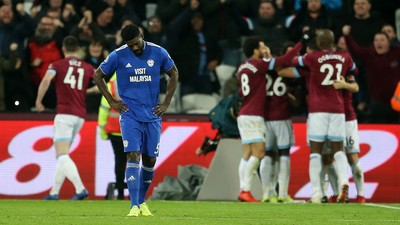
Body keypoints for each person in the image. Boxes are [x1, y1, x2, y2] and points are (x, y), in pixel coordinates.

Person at [94, 24, 179, 217]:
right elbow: (98, 75)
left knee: (150, 159)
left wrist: (166, 103)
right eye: (130, 45)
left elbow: (173, 73)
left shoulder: (158, 52)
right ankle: (133, 205)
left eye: (135, 43)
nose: (133, 48)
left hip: (152, 115)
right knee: (133, 155)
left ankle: (141, 202)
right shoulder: (118, 55)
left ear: (142, 35)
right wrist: (111, 100)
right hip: (130, 114)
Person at [287, 29, 355, 203]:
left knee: (315, 152)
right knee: (338, 149)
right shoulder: (345, 57)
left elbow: (291, 61)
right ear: (332, 42)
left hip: (318, 109)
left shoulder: (312, 57)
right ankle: (343, 181)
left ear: (318, 43)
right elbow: (353, 70)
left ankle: (317, 193)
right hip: (338, 108)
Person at [237, 35, 303, 202]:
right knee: (259, 153)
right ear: (255, 51)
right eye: (261, 46)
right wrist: (301, 42)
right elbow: (286, 59)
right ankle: (245, 190)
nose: (263, 48)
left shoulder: (242, 67)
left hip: (243, 114)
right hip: (254, 116)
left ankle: (244, 189)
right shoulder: (259, 64)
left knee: (247, 154)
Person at [35, 36, 94, 200]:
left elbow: (47, 79)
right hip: (80, 116)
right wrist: (88, 91)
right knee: (64, 154)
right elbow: (100, 81)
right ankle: (54, 192)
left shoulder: (57, 65)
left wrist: (39, 100)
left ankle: (80, 188)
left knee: (61, 155)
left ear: (63, 49)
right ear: (78, 49)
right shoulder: (87, 67)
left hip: (64, 114)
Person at [343, 25, 400, 123]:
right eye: (376, 40)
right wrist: (347, 36)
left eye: (382, 40)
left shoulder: (397, 52)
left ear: (389, 42)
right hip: (376, 104)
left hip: (396, 102)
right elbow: (355, 50)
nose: (379, 43)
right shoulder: (369, 54)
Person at [97, 73, 127, 200]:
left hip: (115, 130)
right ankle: (136, 192)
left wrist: (103, 131)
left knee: (119, 160)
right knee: (133, 160)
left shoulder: (111, 86)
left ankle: (120, 193)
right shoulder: (137, 81)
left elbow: (104, 109)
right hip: (133, 129)